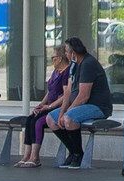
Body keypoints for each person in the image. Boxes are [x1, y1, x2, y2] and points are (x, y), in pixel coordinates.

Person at [47, 36, 113, 169]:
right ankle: (72, 151)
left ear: (73, 53)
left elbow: (83, 96)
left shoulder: (88, 64)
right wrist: (61, 111)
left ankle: (78, 154)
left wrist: (67, 112)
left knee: (69, 118)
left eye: (66, 51)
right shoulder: (74, 65)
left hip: (97, 106)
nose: (65, 54)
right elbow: (69, 92)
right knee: (51, 119)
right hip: (82, 105)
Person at [18, 43, 71, 168]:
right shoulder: (55, 72)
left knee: (39, 122)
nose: (52, 60)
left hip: (58, 107)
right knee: (30, 119)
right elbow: (50, 92)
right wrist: (41, 104)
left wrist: (50, 106)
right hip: (49, 106)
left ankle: (35, 157)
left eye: (53, 57)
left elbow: (66, 95)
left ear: (60, 58)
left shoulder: (66, 72)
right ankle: (26, 155)